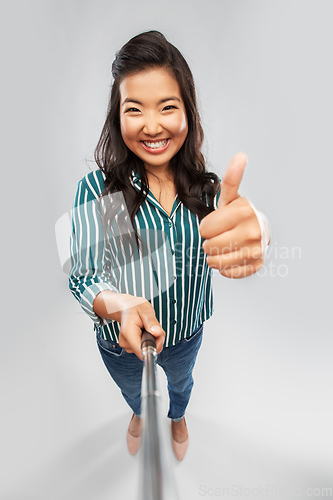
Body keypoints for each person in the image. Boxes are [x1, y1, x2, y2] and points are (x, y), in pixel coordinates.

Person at [69, 30, 271, 461]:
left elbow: (243, 222)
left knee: (181, 384)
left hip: (185, 333)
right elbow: (83, 276)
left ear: (188, 113)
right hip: (118, 341)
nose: (153, 125)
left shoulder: (207, 193)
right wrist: (117, 305)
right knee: (133, 390)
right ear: (117, 117)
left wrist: (263, 229)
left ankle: (178, 416)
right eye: (134, 109)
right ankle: (140, 413)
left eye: (167, 107)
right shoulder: (98, 191)